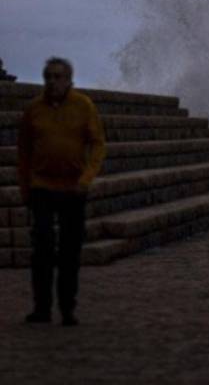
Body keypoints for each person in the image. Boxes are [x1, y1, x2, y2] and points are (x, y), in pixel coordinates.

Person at [17, 57, 106, 326]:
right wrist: (25, 189)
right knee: (42, 249)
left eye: (58, 77)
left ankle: (67, 308)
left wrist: (87, 178)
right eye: (48, 77)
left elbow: (98, 145)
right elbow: (24, 153)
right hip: (41, 188)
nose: (52, 82)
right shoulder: (33, 109)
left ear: (69, 80)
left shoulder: (83, 106)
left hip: (73, 189)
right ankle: (41, 308)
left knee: (69, 251)